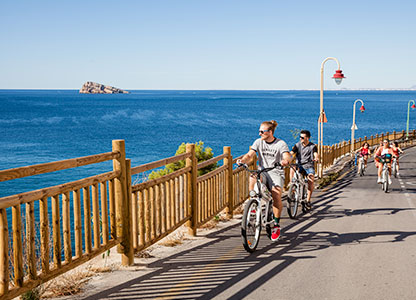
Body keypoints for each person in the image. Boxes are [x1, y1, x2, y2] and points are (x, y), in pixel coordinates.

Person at [237, 120, 292, 242]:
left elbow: (287, 155)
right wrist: (242, 161)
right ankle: (253, 202)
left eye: (262, 131)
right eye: (259, 131)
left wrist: (285, 161)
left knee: (276, 194)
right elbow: (250, 155)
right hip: (263, 171)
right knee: (253, 176)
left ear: (270, 132)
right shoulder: (258, 142)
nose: (259, 134)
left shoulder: (280, 144)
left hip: (276, 172)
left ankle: (276, 225)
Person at [290, 130, 318, 210]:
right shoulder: (297, 145)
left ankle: (308, 200)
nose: (300, 138)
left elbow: (315, 153)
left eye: (302, 137)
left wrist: (316, 158)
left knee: (311, 179)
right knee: (292, 168)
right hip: (299, 165)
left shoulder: (312, 146)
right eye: (300, 137)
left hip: (309, 166)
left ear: (307, 138)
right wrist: (287, 157)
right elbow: (292, 152)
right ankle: (292, 186)